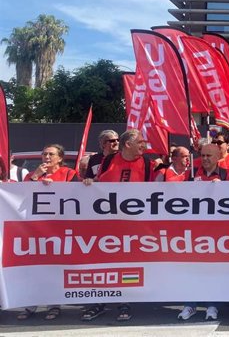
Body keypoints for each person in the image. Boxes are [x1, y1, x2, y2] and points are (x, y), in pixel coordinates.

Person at [82, 129, 157, 322]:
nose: (144, 145)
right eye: (140, 142)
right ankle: (99, 302)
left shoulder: (147, 164)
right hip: (106, 223)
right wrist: (90, 181)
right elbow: (98, 181)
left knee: (126, 265)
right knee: (102, 264)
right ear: (128, 144)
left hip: (131, 225)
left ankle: (125, 301)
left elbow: (152, 194)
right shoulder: (108, 160)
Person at [17, 144, 78, 321]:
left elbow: (79, 194)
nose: (47, 157)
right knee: (34, 269)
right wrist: (35, 178)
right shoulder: (32, 174)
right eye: (44, 154)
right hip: (35, 229)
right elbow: (20, 196)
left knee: (55, 268)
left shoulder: (69, 174)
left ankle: (54, 305)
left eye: (51, 154)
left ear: (60, 158)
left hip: (59, 229)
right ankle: (30, 304)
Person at [177, 143, 228, 321]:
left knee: (213, 270)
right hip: (195, 232)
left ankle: (212, 306)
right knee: (193, 270)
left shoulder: (227, 175)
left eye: (209, 156)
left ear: (218, 157)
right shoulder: (191, 175)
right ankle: (190, 305)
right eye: (203, 155)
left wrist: (225, 187)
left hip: (218, 233)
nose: (205, 159)